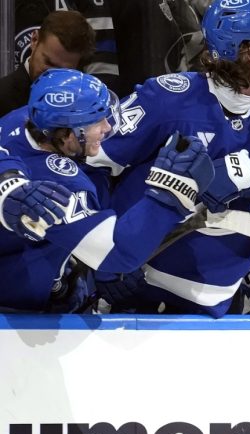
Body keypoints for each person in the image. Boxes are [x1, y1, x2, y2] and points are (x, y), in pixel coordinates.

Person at [88, 0, 250, 318]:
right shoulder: (165, 101)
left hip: (223, 301)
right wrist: (100, 249)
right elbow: (90, 168)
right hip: (142, 291)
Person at [0, 68, 216, 312]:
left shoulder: (21, 119)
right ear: (68, 134)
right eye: (96, 121)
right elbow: (118, 253)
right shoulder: (63, 189)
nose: (107, 127)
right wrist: (169, 194)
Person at [0, 10, 96, 118]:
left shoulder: (84, 104)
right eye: (48, 62)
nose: (51, 76)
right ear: (34, 40)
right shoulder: (2, 97)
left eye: (62, 71)